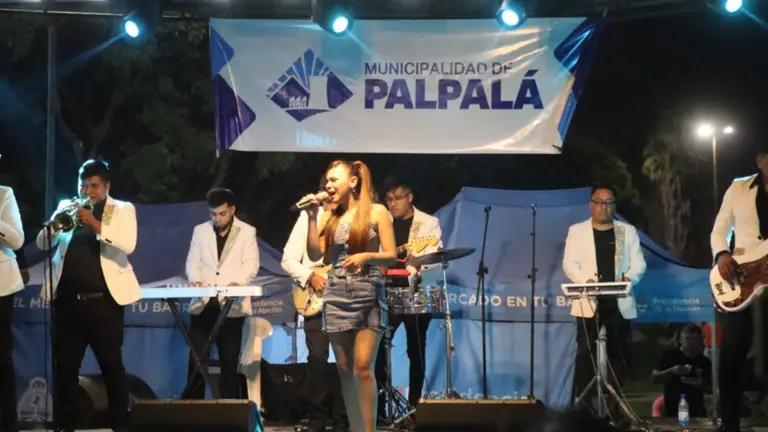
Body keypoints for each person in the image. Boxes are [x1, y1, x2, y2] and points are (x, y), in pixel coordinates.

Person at [36, 159, 140, 432]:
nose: (88, 191)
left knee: (111, 365)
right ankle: (66, 424)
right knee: (65, 368)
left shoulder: (122, 209)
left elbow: (128, 244)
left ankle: (120, 424)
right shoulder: (66, 206)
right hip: (67, 302)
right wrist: (53, 225)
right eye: (83, 185)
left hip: (103, 302)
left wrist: (94, 223)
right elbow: (42, 243)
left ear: (106, 186)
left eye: (94, 186)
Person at [302, 160, 397, 432]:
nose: (328, 185)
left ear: (352, 182)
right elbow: (315, 254)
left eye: (334, 180)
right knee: (344, 368)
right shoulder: (331, 216)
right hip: (336, 294)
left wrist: (366, 256)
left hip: (367, 291)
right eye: (327, 181)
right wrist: (312, 216)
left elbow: (391, 255)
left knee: (363, 366)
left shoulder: (377, 211)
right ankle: (355, 427)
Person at [562, 185, 646, 417]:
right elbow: (569, 264)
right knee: (585, 354)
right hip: (588, 301)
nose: (603, 207)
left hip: (618, 300)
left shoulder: (627, 231)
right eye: (599, 202)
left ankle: (614, 410)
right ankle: (585, 410)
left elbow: (639, 263)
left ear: (614, 206)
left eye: (608, 203)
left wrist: (629, 277)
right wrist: (587, 281)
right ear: (591, 205)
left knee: (617, 355)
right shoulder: (576, 231)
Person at [281, 176, 347, 432]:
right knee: (317, 359)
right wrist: (310, 276)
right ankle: (317, 418)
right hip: (315, 297)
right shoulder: (309, 216)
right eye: (326, 188)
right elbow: (288, 259)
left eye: (335, 187)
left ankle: (343, 417)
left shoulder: (353, 217)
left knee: (345, 360)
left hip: (345, 295)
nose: (330, 193)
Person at [374, 174, 442, 417]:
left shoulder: (428, 223)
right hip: (384, 291)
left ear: (410, 197)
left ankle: (414, 409)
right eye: (389, 199)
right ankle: (379, 409)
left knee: (416, 351)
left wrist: (416, 264)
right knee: (378, 351)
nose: (393, 204)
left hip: (416, 291)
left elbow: (434, 256)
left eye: (398, 198)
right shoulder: (381, 221)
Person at [710, 148, 768, 432]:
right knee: (732, 353)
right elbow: (719, 231)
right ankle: (729, 423)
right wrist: (722, 255)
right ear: (761, 159)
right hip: (740, 279)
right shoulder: (739, 187)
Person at [185, 187, 260, 399]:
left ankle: (228, 409)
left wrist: (239, 283)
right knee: (196, 360)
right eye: (213, 214)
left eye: (222, 213)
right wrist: (195, 279)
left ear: (232, 210)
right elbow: (192, 262)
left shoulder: (247, 231)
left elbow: (251, 264)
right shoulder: (200, 231)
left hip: (231, 304)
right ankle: (192, 407)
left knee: (229, 361)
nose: (217, 218)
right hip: (204, 303)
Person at [0, 154, 25, 432]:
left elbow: (17, 240)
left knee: (1, 360)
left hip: (1, 288)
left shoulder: (4, 194)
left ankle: (7, 424)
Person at [651, 323, 711, 418]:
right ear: (680, 340)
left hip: (696, 410)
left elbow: (711, 388)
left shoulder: (704, 361)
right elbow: (654, 379)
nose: (692, 342)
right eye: (688, 338)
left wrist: (700, 383)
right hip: (672, 409)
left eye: (695, 338)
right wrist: (671, 371)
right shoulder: (670, 355)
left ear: (701, 340)